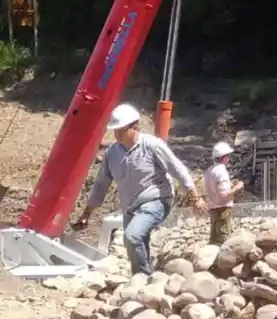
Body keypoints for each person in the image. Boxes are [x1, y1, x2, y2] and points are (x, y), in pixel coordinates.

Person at [74, 103, 208, 275]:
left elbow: (178, 169)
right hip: (130, 206)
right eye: (115, 130)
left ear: (134, 127)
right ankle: (142, 280)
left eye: (120, 130)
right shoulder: (113, 153)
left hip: (156, 200)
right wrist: (87, 213)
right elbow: (101, 184)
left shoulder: (152, 146)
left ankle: (144, 278)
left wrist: (195, 197)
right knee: (134, 242)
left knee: (132, 235)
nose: (116, 134)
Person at [205, 141, 244, 245]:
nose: (229, 158)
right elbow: (224, 195)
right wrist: (237, 187)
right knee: (225, 242)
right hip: (223, 211)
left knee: (214, 241)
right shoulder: (222, 171)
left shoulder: (209, 171)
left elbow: (214, 189)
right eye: (228, 155)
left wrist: (230, 184)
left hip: (213, 209)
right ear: (224, 157)